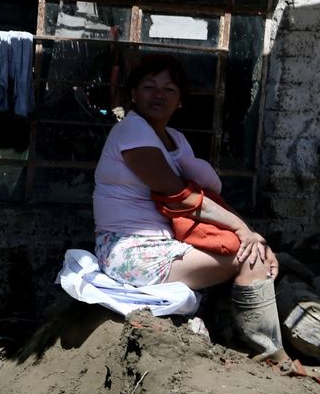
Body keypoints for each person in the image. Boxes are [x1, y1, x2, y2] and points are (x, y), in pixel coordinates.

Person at [92, 54, 287, 361]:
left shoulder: (176, 139)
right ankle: (268, 353)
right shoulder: (132, 130)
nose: (159, 94)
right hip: (128, 250)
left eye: (170, 89)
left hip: (166, 244)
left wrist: (250, 234)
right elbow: (181, 196)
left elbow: (206, 196)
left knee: (254, 251)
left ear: (180, 100)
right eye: (149, 86)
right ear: (133, 93)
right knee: (252, 258)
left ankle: (248, 343)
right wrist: (243, 230)